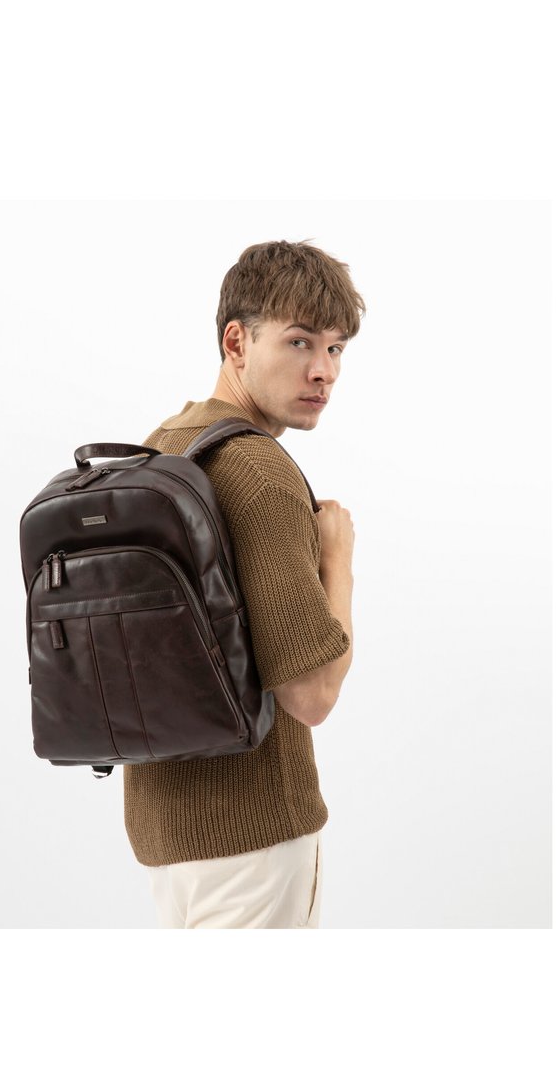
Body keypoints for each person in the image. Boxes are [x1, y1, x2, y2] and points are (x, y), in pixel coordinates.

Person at [123, 238, 365, 928]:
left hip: (163, 836)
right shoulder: (258, 471)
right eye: (299, 342)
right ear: (237, 341)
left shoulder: (163, 443)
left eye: (336, 348)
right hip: (256, 834)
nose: (323, 370)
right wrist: (338, 559)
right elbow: (312, 695)